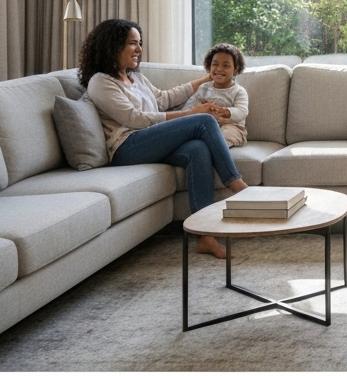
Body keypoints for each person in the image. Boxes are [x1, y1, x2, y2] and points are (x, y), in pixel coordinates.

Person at [80, 18, 248, 258]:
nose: (139, 49)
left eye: (140, 43)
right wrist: (191, 113)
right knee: (204, 121)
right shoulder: (101, 81)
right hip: (127, 147)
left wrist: (204, 80)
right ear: (112, 46)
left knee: (197, 149)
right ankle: (238, 187)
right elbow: (134, 119)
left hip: (151, 141)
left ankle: (206, 236)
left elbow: (164, 99)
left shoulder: (135, 77)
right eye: (132, 43)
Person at [183, 43, 249, 148]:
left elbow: (242, 111)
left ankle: (217, 148)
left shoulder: (239, 91)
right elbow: (190, 107)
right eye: (215, 64)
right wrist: (200, 110)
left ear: (236, 69)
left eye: (226, 65)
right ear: (209, 66)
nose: (219, 69)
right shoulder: (204, 88)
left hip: (232, 126)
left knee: (226, 133)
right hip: (205, 127)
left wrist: (227, 112)